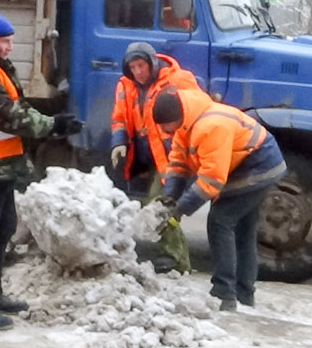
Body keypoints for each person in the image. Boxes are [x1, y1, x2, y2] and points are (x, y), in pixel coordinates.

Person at [0, 12, 82, 329]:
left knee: (3, 227)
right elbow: (7, 115)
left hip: (2, 163)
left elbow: (18, 109)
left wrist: (52, 124)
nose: (10, 46)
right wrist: (53, 126)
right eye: (4, 40)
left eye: (11, 40)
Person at [152, 88, 287, 311]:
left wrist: (180, 211)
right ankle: (244, 294)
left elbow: (212, 180)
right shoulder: (185, 124)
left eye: (163, 126)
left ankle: (224, 293)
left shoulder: (210, 126)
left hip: (258, 166)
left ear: (174, 118)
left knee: (220, 222)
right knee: (244, 229)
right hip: (245, 165)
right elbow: (178, 165)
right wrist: (169, 198)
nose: (163, 132)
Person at [109, 42, 198, 273]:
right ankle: (176, 260)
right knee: (145, 203)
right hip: (141, 154)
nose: (138, 71)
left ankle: (174, 259)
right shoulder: (125, 85)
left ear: (152, 62)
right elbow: (119, 118)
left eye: (141, 65)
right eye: (133, 67)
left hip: (169, 155)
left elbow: (194, 113)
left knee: (160, 202)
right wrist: (118, 143)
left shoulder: (178, 81)